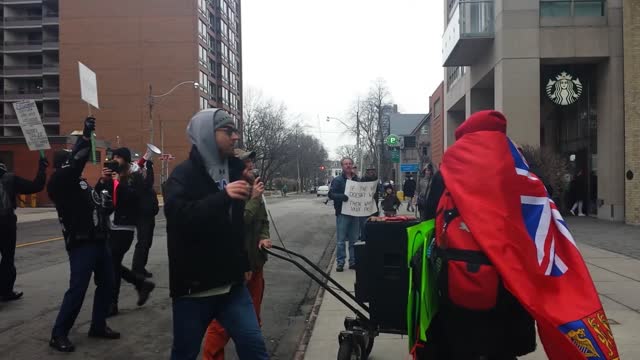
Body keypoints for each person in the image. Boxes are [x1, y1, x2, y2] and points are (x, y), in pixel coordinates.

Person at [164, 108, 268, 360]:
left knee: (255, 348)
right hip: (194, 290)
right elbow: (178, 217)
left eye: (235, 131)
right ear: (207, 135)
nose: (236, 137)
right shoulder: (183, 175)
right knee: (184, 354)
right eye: (228, 131)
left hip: (232, 288)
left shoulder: (234, 171)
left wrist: (243, 262)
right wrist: (222, 197)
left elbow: (235, 226)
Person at [47, 117, 120, 352]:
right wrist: (86, 136)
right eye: (68, 158)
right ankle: (59, 333)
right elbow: (77, 162)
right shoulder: (59, 181)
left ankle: (98, 325)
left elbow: (97, 205)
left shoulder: (79, 184)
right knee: (78, 289)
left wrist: (104, 194)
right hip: (81, 244)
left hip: (98, 241)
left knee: (108, 283)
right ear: (62, 164)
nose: (72, 159)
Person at [203, 148, 273, 360]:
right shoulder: (227, 190)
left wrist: (264, 236)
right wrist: (253, 199)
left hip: (255, 264)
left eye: (251, 162)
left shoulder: (254, 189)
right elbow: (238, 223)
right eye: (246, 163)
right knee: (222, 325)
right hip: (234, 267)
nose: (251, 166)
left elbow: (263, 221)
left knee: (252, 321)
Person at [95, 147, 155, 316]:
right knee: (110, 264)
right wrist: (102, 181)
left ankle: (112, 303)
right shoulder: (110, 178)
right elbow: (98, 196)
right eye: (113, 157)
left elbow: (132, 198)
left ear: (126, 161)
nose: (115, 160)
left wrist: (116, 182)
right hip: (109, 226)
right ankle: (141, 284)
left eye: (119, 157)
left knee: (111, 265)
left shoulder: (133, 177)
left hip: (124, 228)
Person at [0, 155, 47, 302]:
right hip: (5, 222)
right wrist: (42, 168)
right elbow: (36, 186)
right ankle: (5, 292)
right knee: (7, 258)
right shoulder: (9, 178)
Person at [328, 157, 359, 272]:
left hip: (355, 213)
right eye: (346, 164)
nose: (348, 165)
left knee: (354, 240)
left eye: (350, 163)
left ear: (352, 165)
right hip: (342, 213)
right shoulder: (337, 180)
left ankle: (353, 262)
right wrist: (342, 197)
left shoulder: (357, 179)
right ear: (342, 166)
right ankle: (340, 263)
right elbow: (331, 195)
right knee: (341, 240)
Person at [131, 158, 159, 278]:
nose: (143, 171)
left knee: (147, 242)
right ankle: (137, 269)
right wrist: (150, 168)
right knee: (143, 242)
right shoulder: (137, 181)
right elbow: (149, 182)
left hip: (149, 216)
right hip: (142, 217)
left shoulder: (141, 181)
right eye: (141, 170)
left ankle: (140, 267)